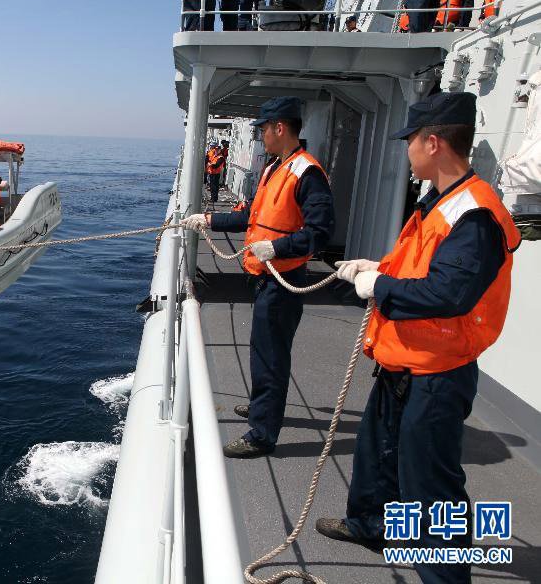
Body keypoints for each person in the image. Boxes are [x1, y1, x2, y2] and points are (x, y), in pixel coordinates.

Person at [315, 92, 520, 584]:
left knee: (431, 487)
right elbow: (423, 266)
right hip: (404, 360)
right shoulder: (442, 202)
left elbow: (449, 293)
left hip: (437, 371)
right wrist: (378, 267)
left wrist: (379, 286)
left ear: (432, 143)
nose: (406, 149)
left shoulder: (474, 215)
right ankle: (370, 525)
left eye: (410, 140)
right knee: (376, 453)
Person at [181, 97, 335, 458]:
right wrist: (210, 220)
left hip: (284, 279)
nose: (261, 135)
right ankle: (261, 407)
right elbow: (253, 216)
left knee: (271, 356)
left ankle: (262, 435)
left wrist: (278, 248)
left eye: (263, 129)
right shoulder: (274, 168)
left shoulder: (306, 174)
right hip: (264, 277)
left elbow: (321, 232)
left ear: (279, 127)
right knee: (261, 350)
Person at [206, 141, 225, 206]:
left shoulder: (221, 158)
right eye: (216, 150)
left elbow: (216, 165)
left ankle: (214, 198)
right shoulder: (215, 156)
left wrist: (210, 164)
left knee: (214, 187)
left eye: (217, 150)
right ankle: (213, 198)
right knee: (212, 186)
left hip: (215, 174)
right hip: (212, 173)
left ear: (219, 150)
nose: (216, 151)